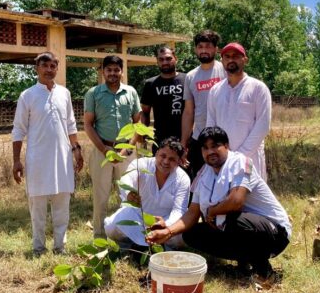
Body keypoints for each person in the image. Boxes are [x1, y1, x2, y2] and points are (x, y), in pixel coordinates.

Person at [147, 127, 291, 277]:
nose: (210, 152)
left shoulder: (241, 162)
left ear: (227, 146)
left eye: (215, 146)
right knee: (191, 234)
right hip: (238, 225)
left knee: (230, 221)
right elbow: (192, 213)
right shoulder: (203, 174)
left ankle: (263, 270)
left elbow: (236, 201)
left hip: (275, 232)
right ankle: (244, 262)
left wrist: (212, 211)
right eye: (205, 148)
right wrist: (168, 232)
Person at [11, 52, 84, 256]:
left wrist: (76, 150)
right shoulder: (28, 95)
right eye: (45, 65)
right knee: (38, 207)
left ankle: (60, 246)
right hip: (38, 161)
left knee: (62, 204)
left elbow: (70, 124)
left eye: (53, 66)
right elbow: (18, 129)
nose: (49, 69)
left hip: (63, 158)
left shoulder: (64, 93)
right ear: (37, 68)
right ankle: (38, 247)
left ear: (57, 69)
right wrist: (16, 161)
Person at [84, 55, 141, 237]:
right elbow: (88, 125)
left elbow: (138, 124)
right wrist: (104, 149)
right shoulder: (94, 93)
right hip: (103, 151)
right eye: (109, 70)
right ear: (103, 72)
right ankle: (99, 235)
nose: (113, 73)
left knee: (128, 194)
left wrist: (128, 148)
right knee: (101, 196)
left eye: (116, 70)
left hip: (127, 151)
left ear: (122, 72)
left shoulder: (131, 92)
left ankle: (127, 235)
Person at [104, 137, 190, 249]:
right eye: (163, 156)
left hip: (165, 221)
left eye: (172, 159)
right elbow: (127, 179)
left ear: (179, 161)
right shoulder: (142, 164)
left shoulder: (183, 179)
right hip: (137, 216)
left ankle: (164, 249)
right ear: (157, 153)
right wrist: (129, 192)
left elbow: (179, 210)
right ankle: (129, 247)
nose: (165, 162)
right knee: (112, 227)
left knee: (182, 236)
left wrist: (166, 225)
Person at [206, 42, 272, 181]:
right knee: (224, 197)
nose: (231, 60)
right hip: (222, 158)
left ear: (245, 60)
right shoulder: (215, 90)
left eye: (236, 56)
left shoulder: (258, 88)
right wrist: (217, 153)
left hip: (249, 157)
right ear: (222, 61)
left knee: (250, 197)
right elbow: (210, 126)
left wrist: (239, 157)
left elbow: (263, 126)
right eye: (227, 57)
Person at [180, 30, 226, 179]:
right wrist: (183, 143)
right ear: (195, 49)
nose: (204, 50)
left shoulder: (225, 71)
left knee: (224, 180)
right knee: (199, 181)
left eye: (208, 46)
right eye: (200, 47)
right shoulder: (191, 76)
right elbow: (188, 112)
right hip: (199, 138)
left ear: (215, 49)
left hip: (223, 137)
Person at [140, 47, 186, 145]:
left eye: (168, 58)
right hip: (160, 140)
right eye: (161, 59)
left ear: (176, 59)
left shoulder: (187, 80)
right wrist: (143, 134)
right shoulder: (150, 84)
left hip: (185, 139)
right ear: (157, 61)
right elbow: (145, 112)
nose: (165, 62)